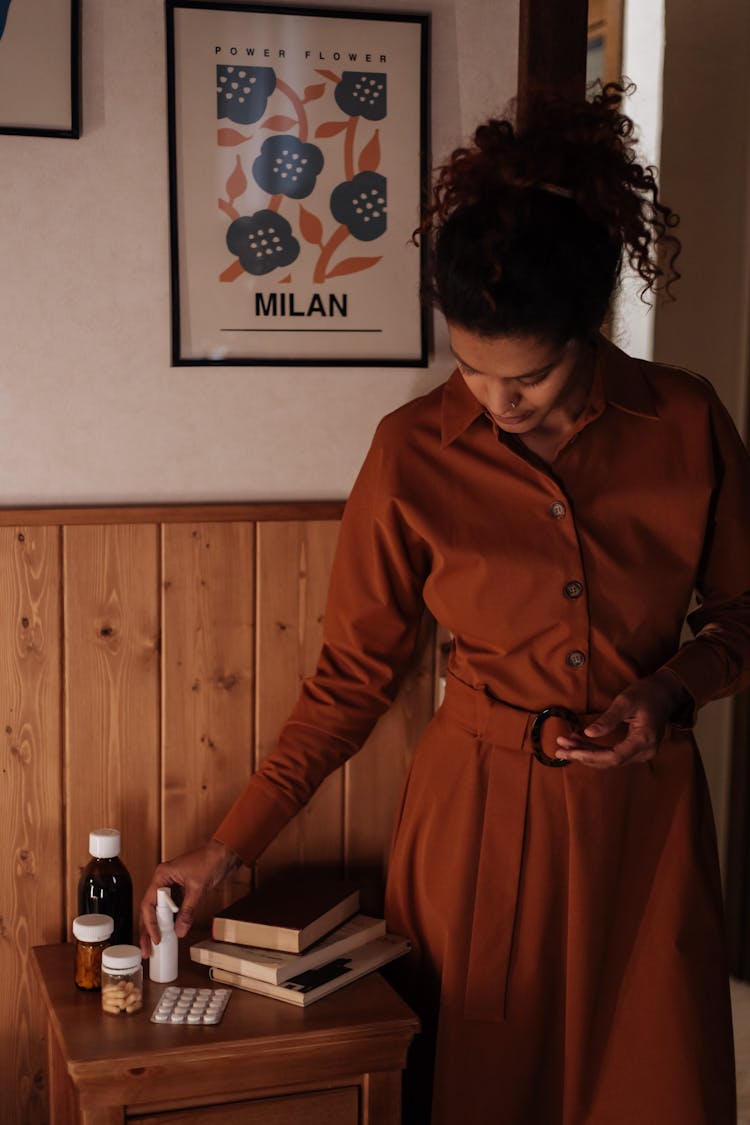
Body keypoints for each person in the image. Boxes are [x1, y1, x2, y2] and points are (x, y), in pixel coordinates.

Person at [140, 83, 750, 1124]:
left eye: (530, 378)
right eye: (469, 370)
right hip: (477, 832)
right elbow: (348, 680)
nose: (497, 403)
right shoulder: (411, 451)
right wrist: (228, 846)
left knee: (656, 1086)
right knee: (485, 1093)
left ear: (589, 327)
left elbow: (743, 618)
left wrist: (670, 694)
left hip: (646, 836)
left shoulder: (685, 421)